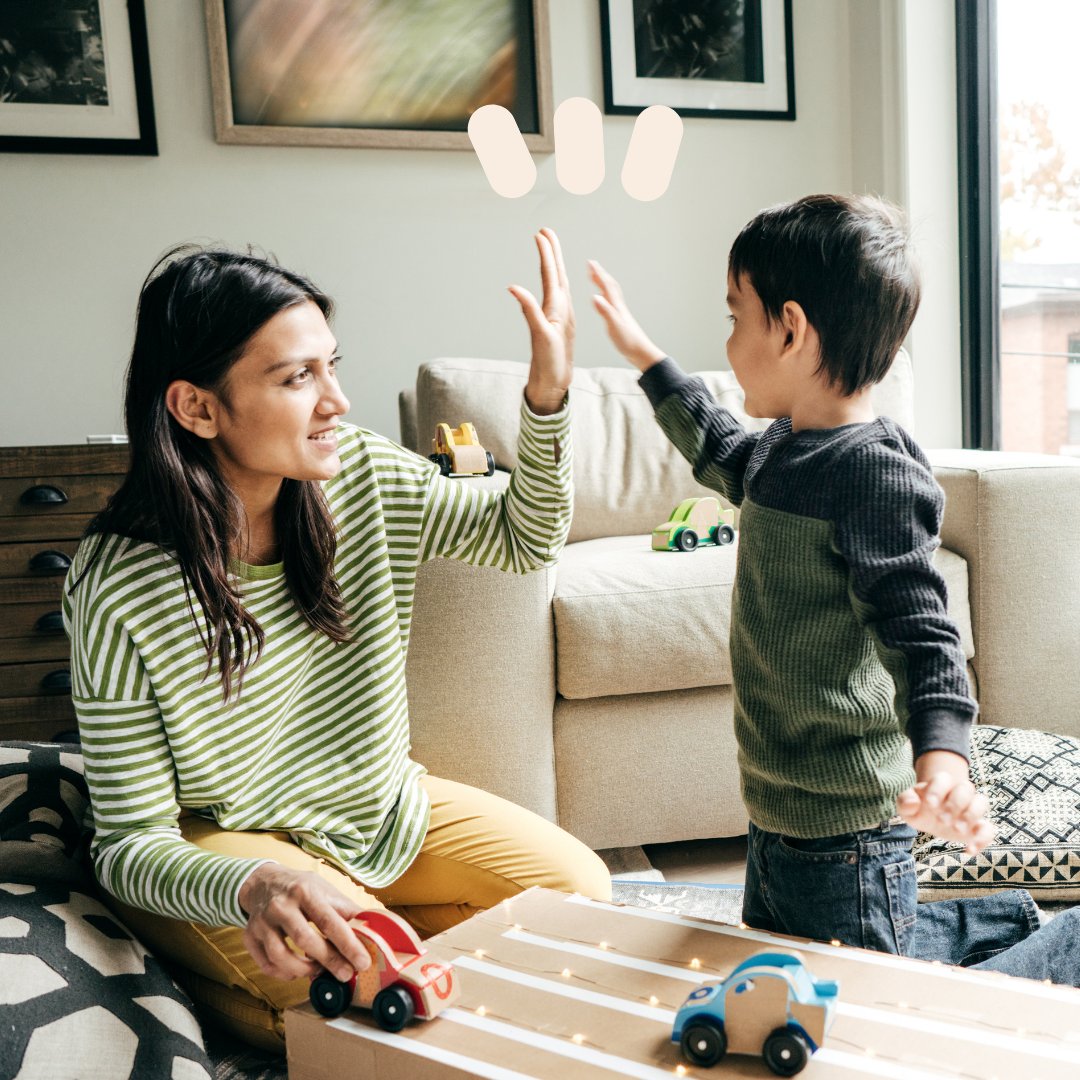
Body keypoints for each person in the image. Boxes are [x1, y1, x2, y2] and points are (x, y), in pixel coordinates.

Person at [63, 229, 611, 1051]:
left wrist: (547, 399)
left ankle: (323, 971)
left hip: (377, 812)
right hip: (219, 853)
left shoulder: (353, 469)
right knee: (375, 1002)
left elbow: (522, 537)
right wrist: (255, 883)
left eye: (331, 365)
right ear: (197, 407)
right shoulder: (117, 582)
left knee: (579, 894)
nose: (336, 401)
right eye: (297, 377)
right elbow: (131, 842)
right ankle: (243, 994)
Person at [588, 193, 1080, 981]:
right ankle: (1000, 916)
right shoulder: (783, 448)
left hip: (847, 831)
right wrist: (648, 360)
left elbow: (923, 635)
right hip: (774, 810)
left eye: (733, 319)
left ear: (789, 329)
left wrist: (943, 762)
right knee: (779, 982)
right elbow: (717, 447)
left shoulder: (873, 473)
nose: (728, 340)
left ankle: (1064, 944)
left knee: (867, 1010)